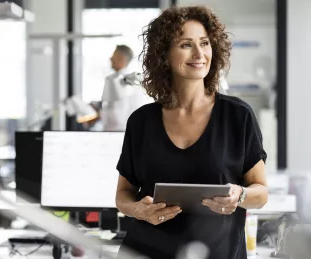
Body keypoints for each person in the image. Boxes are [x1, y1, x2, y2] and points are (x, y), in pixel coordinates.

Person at [115, 6, 268, 259]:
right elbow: (123, 195)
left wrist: (239, 196)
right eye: (186, 44)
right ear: (165, 54)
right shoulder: (141, 121)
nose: (199, 53)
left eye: (205, 43)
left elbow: (260, 193)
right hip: (144, 251)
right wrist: (138, 210)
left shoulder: (238, 116)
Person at [101, 45, 152, 131]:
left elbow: (117, 117)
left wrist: (100, 114)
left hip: (118, 133)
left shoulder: (122, 81)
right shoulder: (129, 80)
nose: (110, 58)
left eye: (113, 55)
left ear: (121, 59)